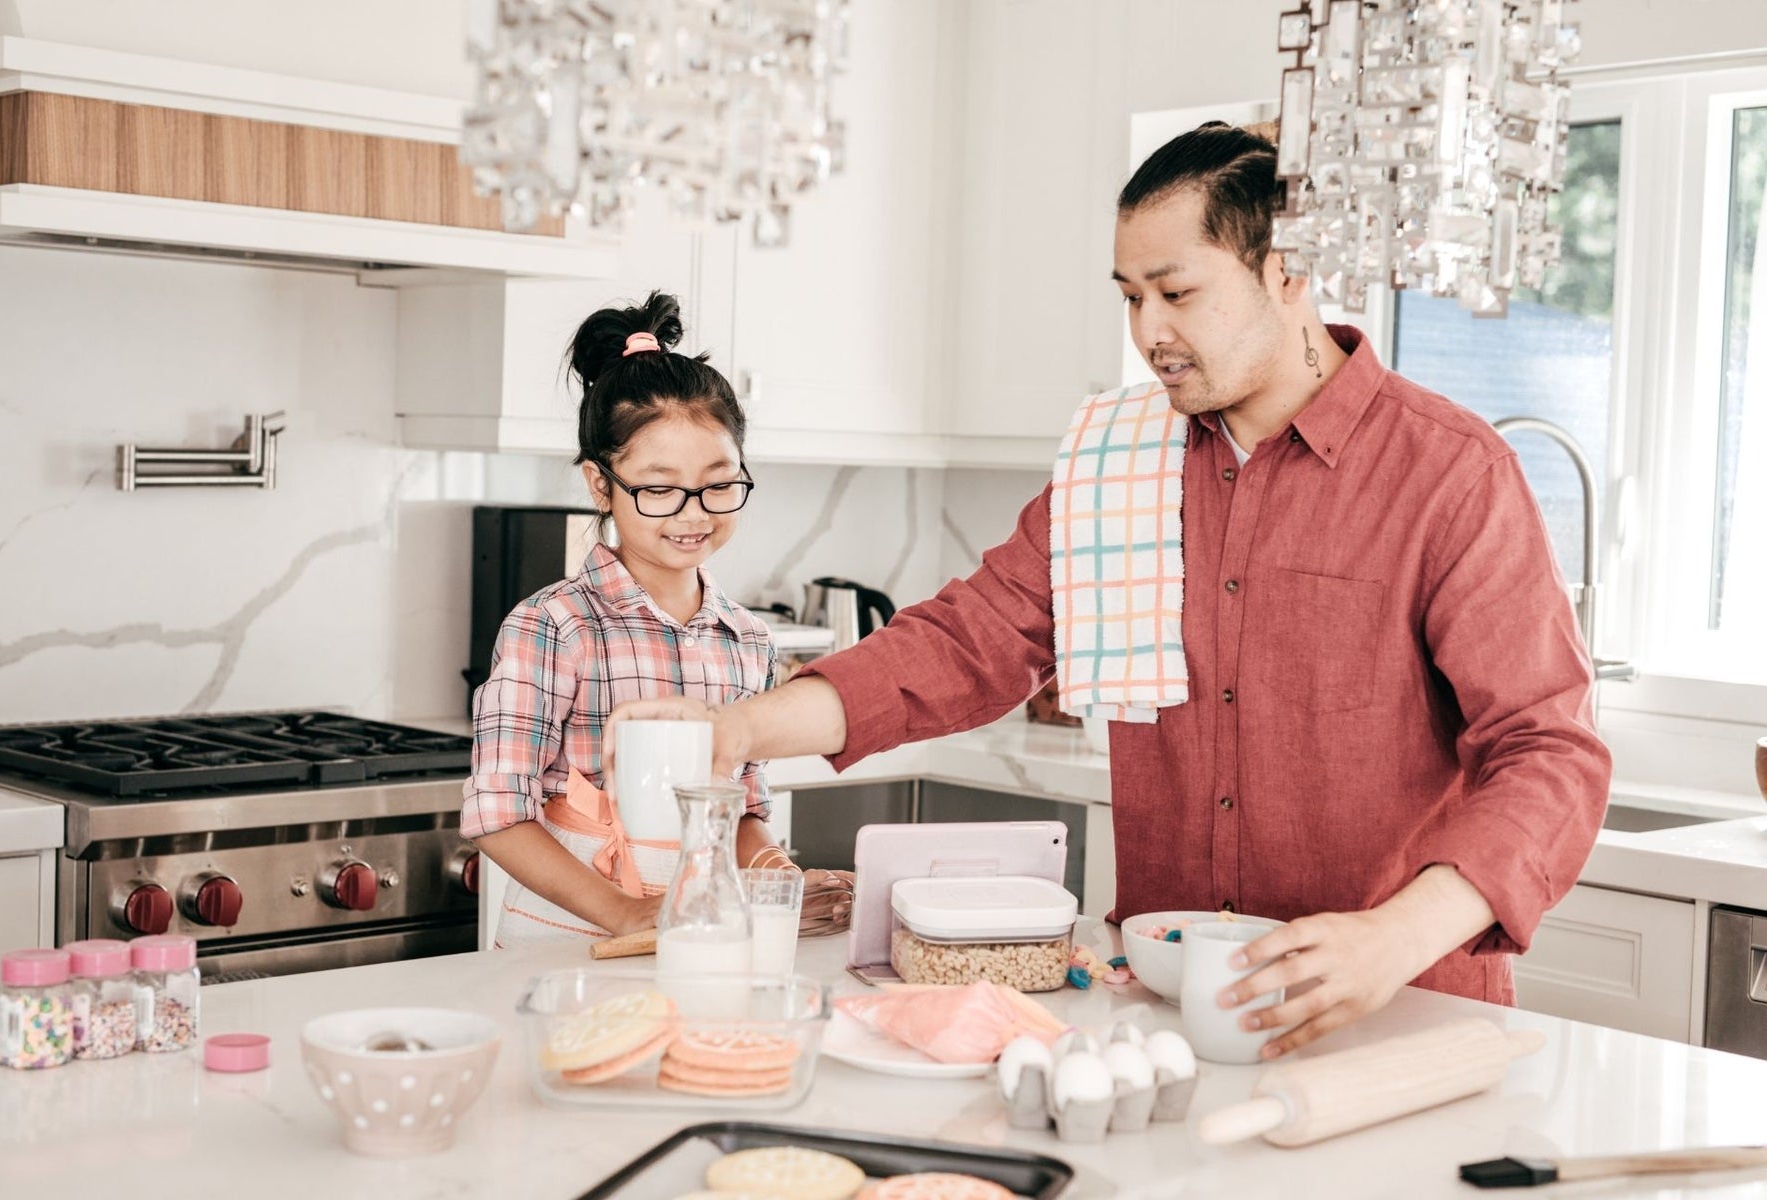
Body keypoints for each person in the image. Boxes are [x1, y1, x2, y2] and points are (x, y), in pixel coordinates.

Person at [606, 123, 1611, 1057]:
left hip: (1399, 1016)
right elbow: (968, 641)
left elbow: (1547, 753)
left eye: (1177, 293)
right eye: (1130, 296)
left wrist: (1395, 938)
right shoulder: (1118, 464)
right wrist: (741, 729)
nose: (1148, 332)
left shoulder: (1447, 473)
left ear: (1288, 270)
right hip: (1176, 1012)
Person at [461, 291, 802, 947]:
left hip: (698, 934)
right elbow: (495, 816)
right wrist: (623, 914)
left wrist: (781, 878)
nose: (694, 512)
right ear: (600, 484)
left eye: (719, 482)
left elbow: (744, 811)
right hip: (568, 938)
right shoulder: (555, 626)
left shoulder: (747, 640)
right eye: (659, 487)